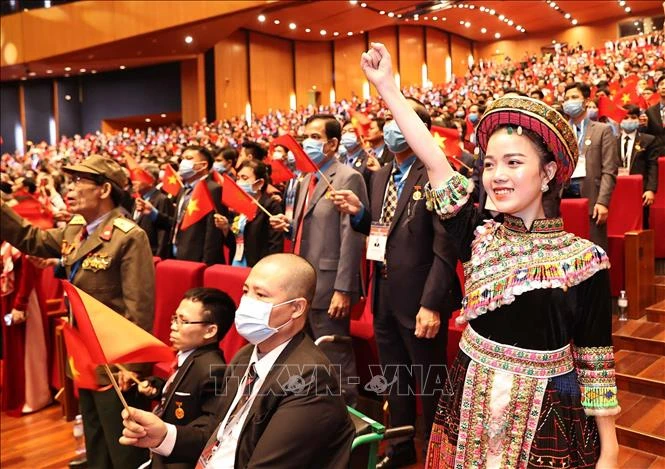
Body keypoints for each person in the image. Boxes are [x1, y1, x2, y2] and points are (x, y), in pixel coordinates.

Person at [361, 43, 620, 469]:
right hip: (470, 401)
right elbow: (434, 160)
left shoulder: (586, 260)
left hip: (548, 412)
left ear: (548, 173)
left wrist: (609, 447)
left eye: (513, 163)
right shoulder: (477, 233)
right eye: (489, 164)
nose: (497, 175)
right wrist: (387, 87)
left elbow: (595, 360)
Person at [119, 253, 355, 469]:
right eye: (245, 291)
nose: (247, 302)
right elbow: (220, 435)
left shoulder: (309, 379)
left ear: (296, 308)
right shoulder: (245, 357)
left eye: (260, 295)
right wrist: (163, 435)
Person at [0, 154, 155, 469]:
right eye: (70, 181)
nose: (69, 189)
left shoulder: (129, 237)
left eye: (79, 181)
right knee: (96, 446)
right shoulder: (76, 229)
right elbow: (31, 239)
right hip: (82, 354)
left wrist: (132, 369)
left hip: (114, 364)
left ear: (104, 190)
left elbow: (139, 309)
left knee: (124, 453)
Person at [332, 98, 462, 468]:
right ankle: (401, 445)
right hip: (384, 291)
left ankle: (437, 448)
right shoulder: (381, 174)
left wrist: (431, 304)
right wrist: (359, 213)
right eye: (389, 119)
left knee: (429, 378)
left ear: (419, 130)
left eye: (399, 120)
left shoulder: (437, 173)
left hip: (420, 296)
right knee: (395, 376)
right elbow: (380, 227)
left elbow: (444, 249)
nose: (390, 127)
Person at [269, 114, 369, 406]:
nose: (307, 144)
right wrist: (288, 227)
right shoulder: (306, 178)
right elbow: (309, 228)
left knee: (335, 359)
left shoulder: (348, 177)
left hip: (329, 285)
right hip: (302, 285)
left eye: (315, 138)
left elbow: (352, 237)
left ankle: (349, 415)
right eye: (305, 138)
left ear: (332, 144)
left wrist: (343, 289)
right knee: (306, 356)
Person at [119, 287, 236, 469]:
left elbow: (208, 433)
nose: (173, 326)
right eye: (175, 318)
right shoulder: (189, 356)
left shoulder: (214, 370)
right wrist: (157, 387)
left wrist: (164, 435)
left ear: (210, 331)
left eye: (183, 321)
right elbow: (183, 393)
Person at [562, 82, 619, 249]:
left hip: (591, 199)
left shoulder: (603, 130)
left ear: (586, 101)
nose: (569, 101)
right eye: (566, 99)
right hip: (563, 200)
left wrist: (603, 202)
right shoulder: (560, 131)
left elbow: (609, 170)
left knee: (594, 252)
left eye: (574, 97)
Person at [213, 160, 284, 267]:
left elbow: (275, 245)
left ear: (259, 183)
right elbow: (234, 242)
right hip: (236, 262)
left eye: (244, 178)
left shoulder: (271, 206)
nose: (239, 182)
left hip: (258, 266)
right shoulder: (240, 206)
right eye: (238, 178)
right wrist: (226, 228)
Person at [617, 104, 659, 228]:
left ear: (638, 119)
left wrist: (650, 189)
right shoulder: (612, 140)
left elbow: (652, 165)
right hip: (618, 189)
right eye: (626, 117)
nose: (629, 120)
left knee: (641, 224)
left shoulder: (648, 140)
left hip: (640, 190)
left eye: (633, 117)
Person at [133, 163, 175, 258]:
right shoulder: (139, 198)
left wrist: (159, 256)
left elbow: (163, 233)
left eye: (138, 178)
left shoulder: (162, 199)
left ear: (151, 181)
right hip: (138, 252)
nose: (134, 181)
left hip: (152, 254)